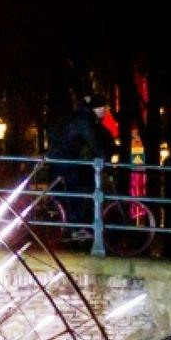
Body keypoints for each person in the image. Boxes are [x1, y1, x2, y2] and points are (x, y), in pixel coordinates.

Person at [45, 93, 118, 235]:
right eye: (102, 108)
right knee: (76, 189)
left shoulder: (81, 116)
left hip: (61, 157)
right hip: (64, 158)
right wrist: (106, 161)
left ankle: (72, 224)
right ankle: (76, 228)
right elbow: (94, 141)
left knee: (78, 186)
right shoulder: (85, 119)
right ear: (95, 108)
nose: (104, 111)